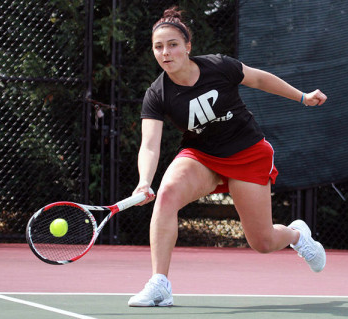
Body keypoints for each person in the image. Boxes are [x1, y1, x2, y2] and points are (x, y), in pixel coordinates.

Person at [128, 6, 328, 307]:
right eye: (158, 47)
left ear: (187, 47)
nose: (165, 52)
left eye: (172, 45)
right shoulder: (157, 94)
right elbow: (150, 145)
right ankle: (160, 285)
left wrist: (302, 96)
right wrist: (144, 181)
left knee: (262, 243)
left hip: (246, 154)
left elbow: (259, 79)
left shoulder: (219, 66)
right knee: (166, 195)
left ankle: (296, 235)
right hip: (202, 156)